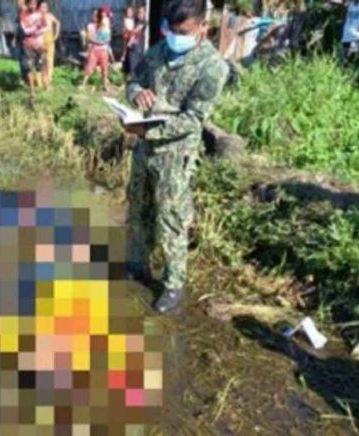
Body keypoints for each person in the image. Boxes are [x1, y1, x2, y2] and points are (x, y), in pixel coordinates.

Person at [124, 0, 229, 314]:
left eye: (182, 32)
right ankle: (138, 264)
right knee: (138, 206)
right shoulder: (158, 52)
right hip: (144, 150)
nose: (175, 37)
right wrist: (136, 94)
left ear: (201, 29)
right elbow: (134, 81)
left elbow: (195, 118)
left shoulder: (212, 67)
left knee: (171, 218)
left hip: (175, 154)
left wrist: (150, 131)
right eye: (171, 30)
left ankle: (173, 283)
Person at [80, 8, 112, 92]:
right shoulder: (90, 25)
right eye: (94, 14)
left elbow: (108, 38)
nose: (95, 16)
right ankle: (83, 84)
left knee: (104, 68)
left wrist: (99, 40)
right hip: (94, 50)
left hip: (103, 50)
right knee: (89, 67)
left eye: (97, 14)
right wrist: (98, 41)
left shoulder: (104, 25)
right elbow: (90, 38)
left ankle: (105, 85)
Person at [20, 0, 47, 94]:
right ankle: (32, 90)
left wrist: (34, 30)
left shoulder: (40, 14)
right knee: (29, 68)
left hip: (39, 44)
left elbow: (45, 28)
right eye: (31, 4)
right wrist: (36, 28)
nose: (33, 6)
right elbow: (25, 31)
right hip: (28, 45)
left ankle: (45, 86)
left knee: (42, 66)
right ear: (28, 4)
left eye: (34, 4)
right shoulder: (24, 15)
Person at [40, 1, 61, 90]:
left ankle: (49, 81)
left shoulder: (50, 16)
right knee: (41, 62)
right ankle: (42, 81)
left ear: (47, 8)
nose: (43, 9)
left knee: (49, 62)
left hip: (50, 41)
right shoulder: (38, 17)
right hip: (41, 41)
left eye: (45, 7)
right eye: (42, 7)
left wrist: (56, 34)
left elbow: (58, 23)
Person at [123, 6, 147, 81]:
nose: (138, 14)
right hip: (131, 45)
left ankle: (135, 81)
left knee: (135, 64)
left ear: (144, 13)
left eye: (140, 12)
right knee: (128, 64)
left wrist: (128, 30)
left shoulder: (144, 22)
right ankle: (126, 81)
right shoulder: (135, 21)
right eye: (138, 12)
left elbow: (135, 31)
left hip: (137, 46)